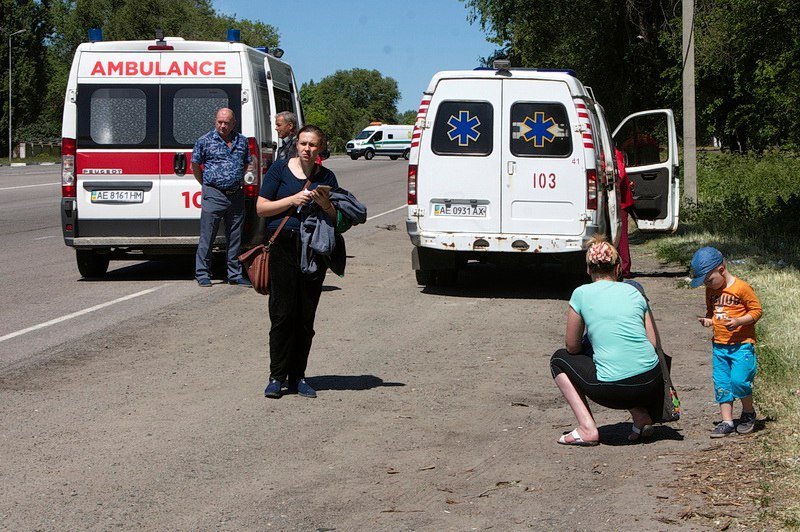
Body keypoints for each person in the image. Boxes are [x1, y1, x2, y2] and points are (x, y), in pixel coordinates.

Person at [550, 236, 662, 445]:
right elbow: (652, 344)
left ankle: (587, 428)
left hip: (614, 391)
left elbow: (572, 346)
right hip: (650, 382)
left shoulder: (581, 293)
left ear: (588, 269)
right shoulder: (634, 291)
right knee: (620, 348)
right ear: (618, 268)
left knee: (559, 359)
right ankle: (641, 415)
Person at [256, 125, 339, 399]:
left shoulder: (326, 176)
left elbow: (337, 217)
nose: (307, 148)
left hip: (314, 249)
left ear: (320, 148)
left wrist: (324, 202)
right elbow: (261, 207)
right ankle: (276, 376)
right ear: (297, 144)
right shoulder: (279, 170)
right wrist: (292, 199)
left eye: (313, 145)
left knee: (305, 317)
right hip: (282, 246)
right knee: (282, 314)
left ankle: (298, 377)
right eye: (304, 143)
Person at [690, 246, 762, 437]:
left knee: (739, 381)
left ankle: (748, 412)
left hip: (742, 346)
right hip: (720, 346)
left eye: (709, 280)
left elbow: (756, 311)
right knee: (722, 383)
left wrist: (739, 321)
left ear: (721, 270)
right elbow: (711, 312)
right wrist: (708, 320)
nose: (707, 285)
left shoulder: (741, 288)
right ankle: (727, 421)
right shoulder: (711, 291)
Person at [192, 108, 253, 287]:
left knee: (235, 237)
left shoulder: (241, 141)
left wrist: (235, 179)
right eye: (220, 122)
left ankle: (234, 274)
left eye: (226, 123)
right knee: (207, 236)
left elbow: (246, 163)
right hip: (214, 194)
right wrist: (205, 183)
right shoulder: (205, 140)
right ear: (215, 121)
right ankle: (202, 273)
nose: (223, 126)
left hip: (235, 195)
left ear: (234, 123)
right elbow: (195, 164)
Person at [615, 148, 635, 278]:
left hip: (619, 200)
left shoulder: (614, 154)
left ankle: (623, 268)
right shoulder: (614, 153)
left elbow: (620, 175)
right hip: (619, 199)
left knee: (621, 236)